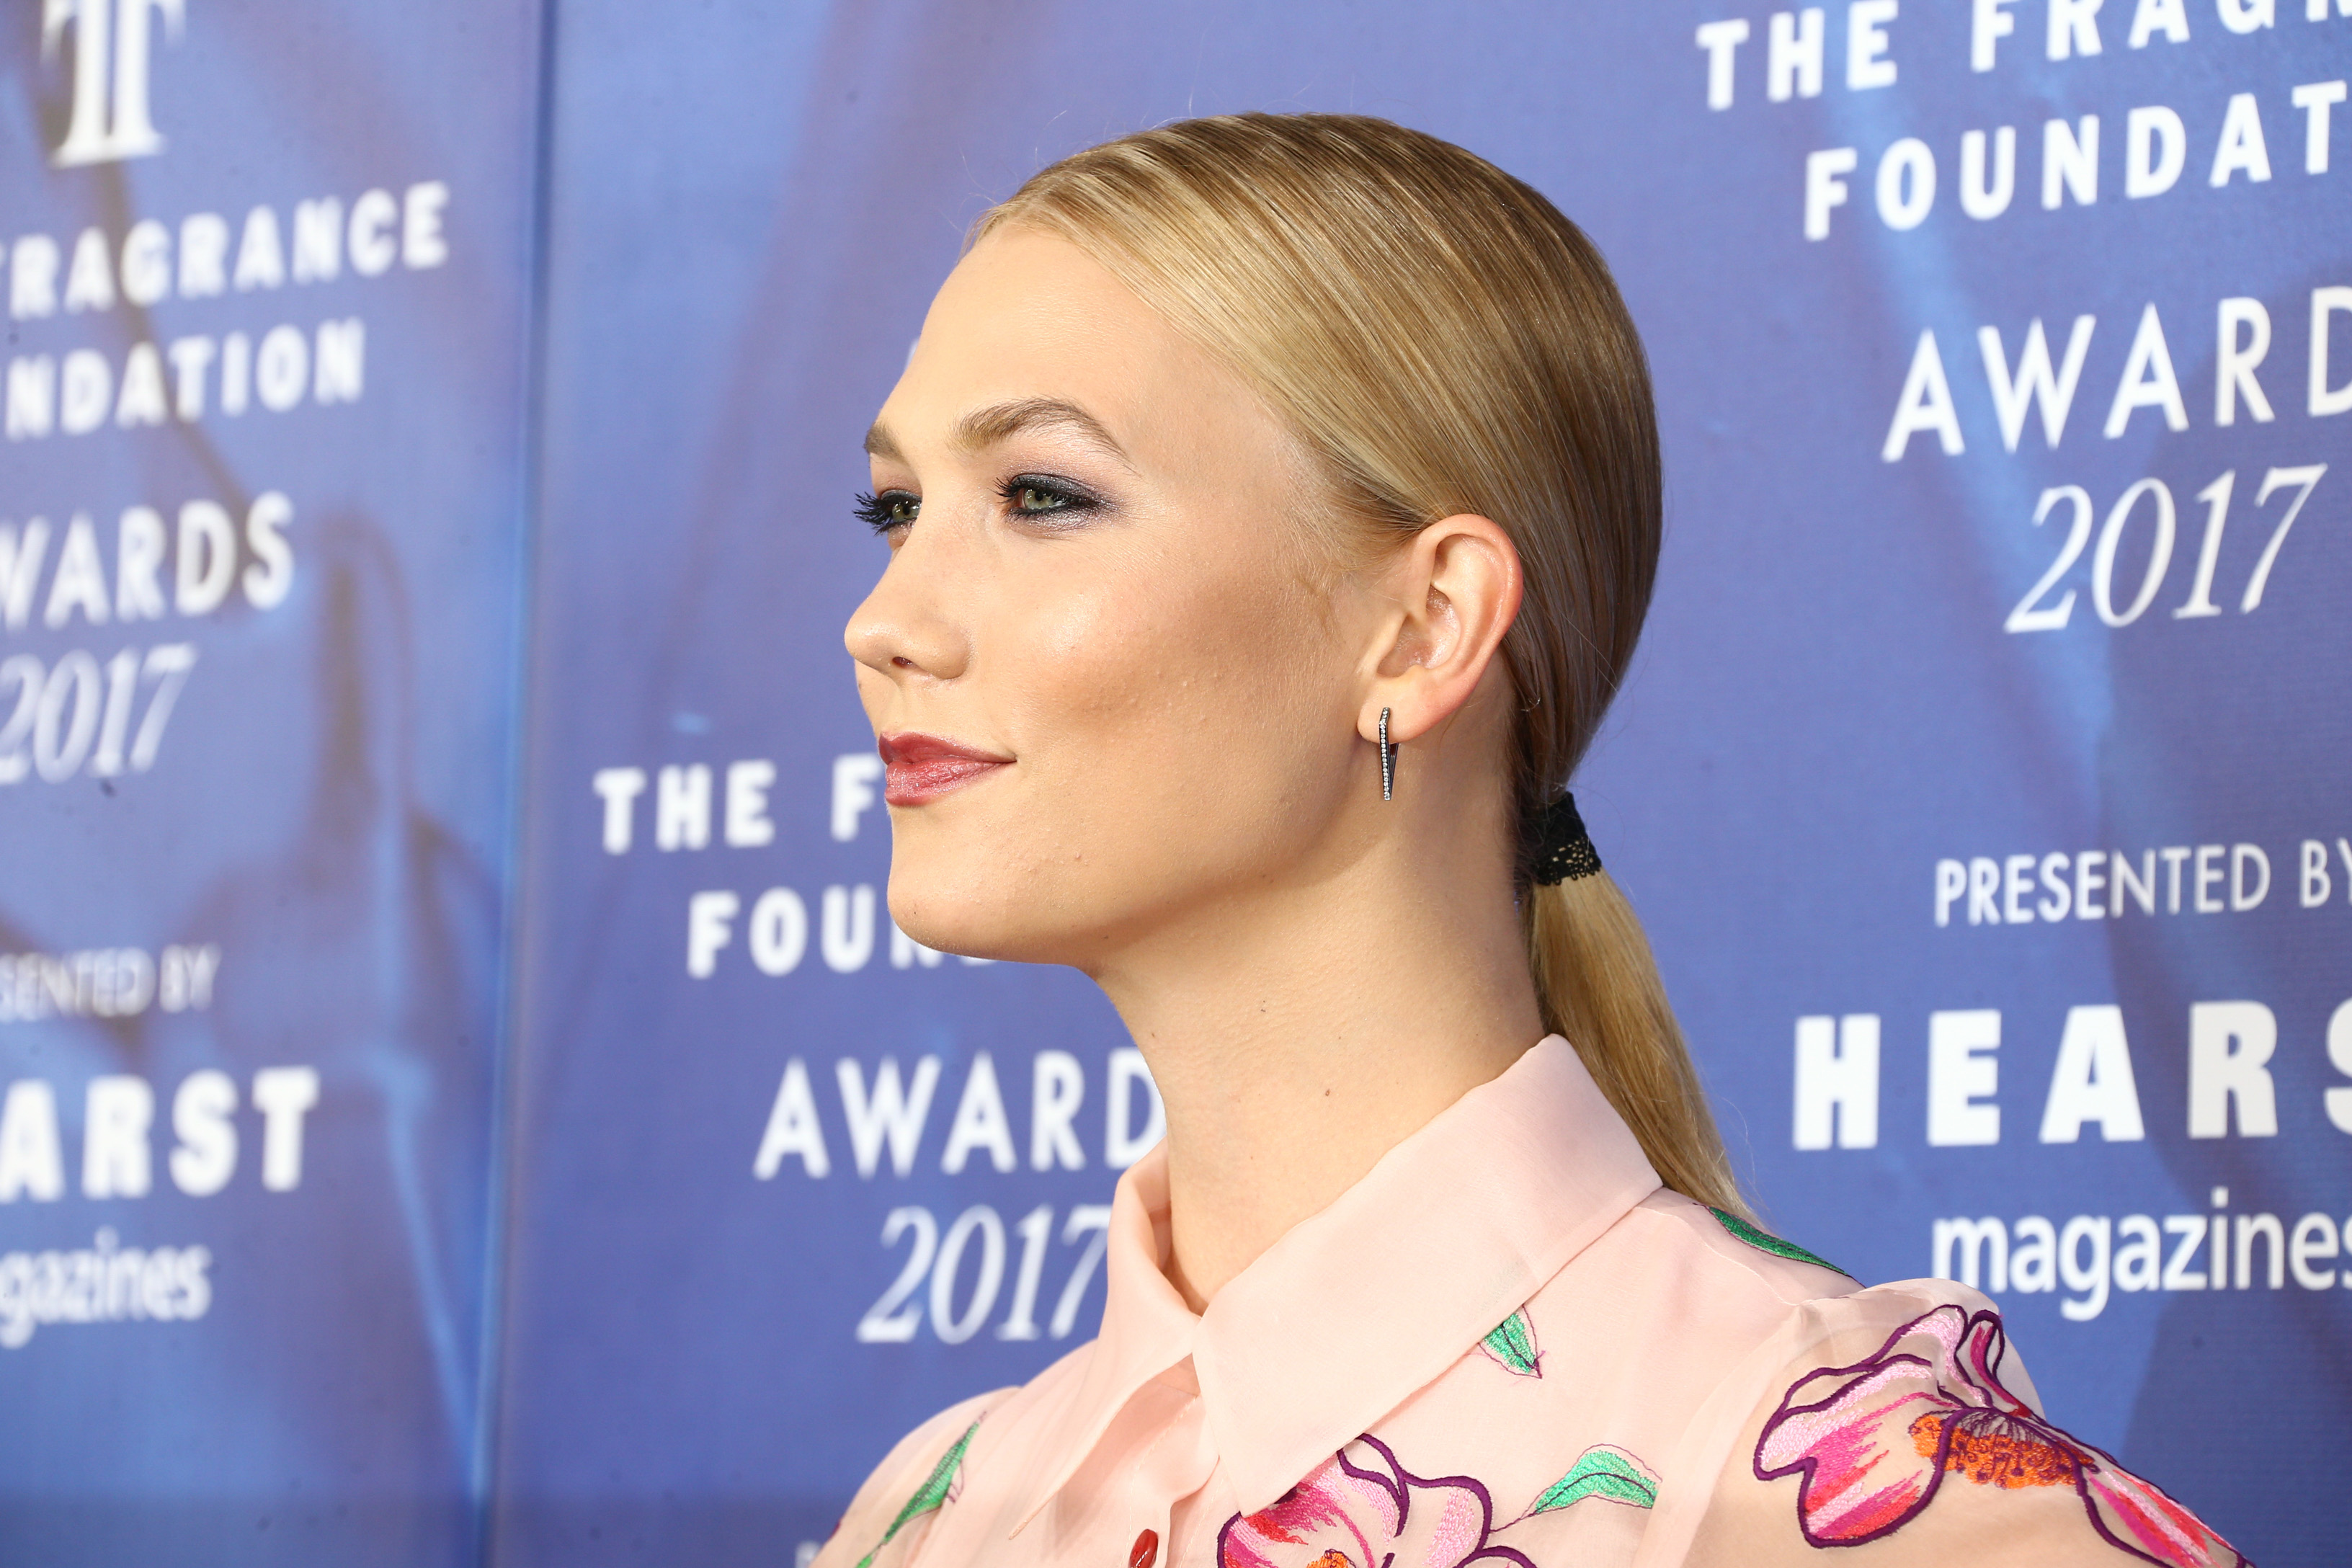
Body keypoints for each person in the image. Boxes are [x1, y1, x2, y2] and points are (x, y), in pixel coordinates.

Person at [820, 113, 2242, 1568]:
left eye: (1041, 496)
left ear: (1423, 628)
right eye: (897, 509)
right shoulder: (925, 1514)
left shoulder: (1871, 1511)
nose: (885, 621)